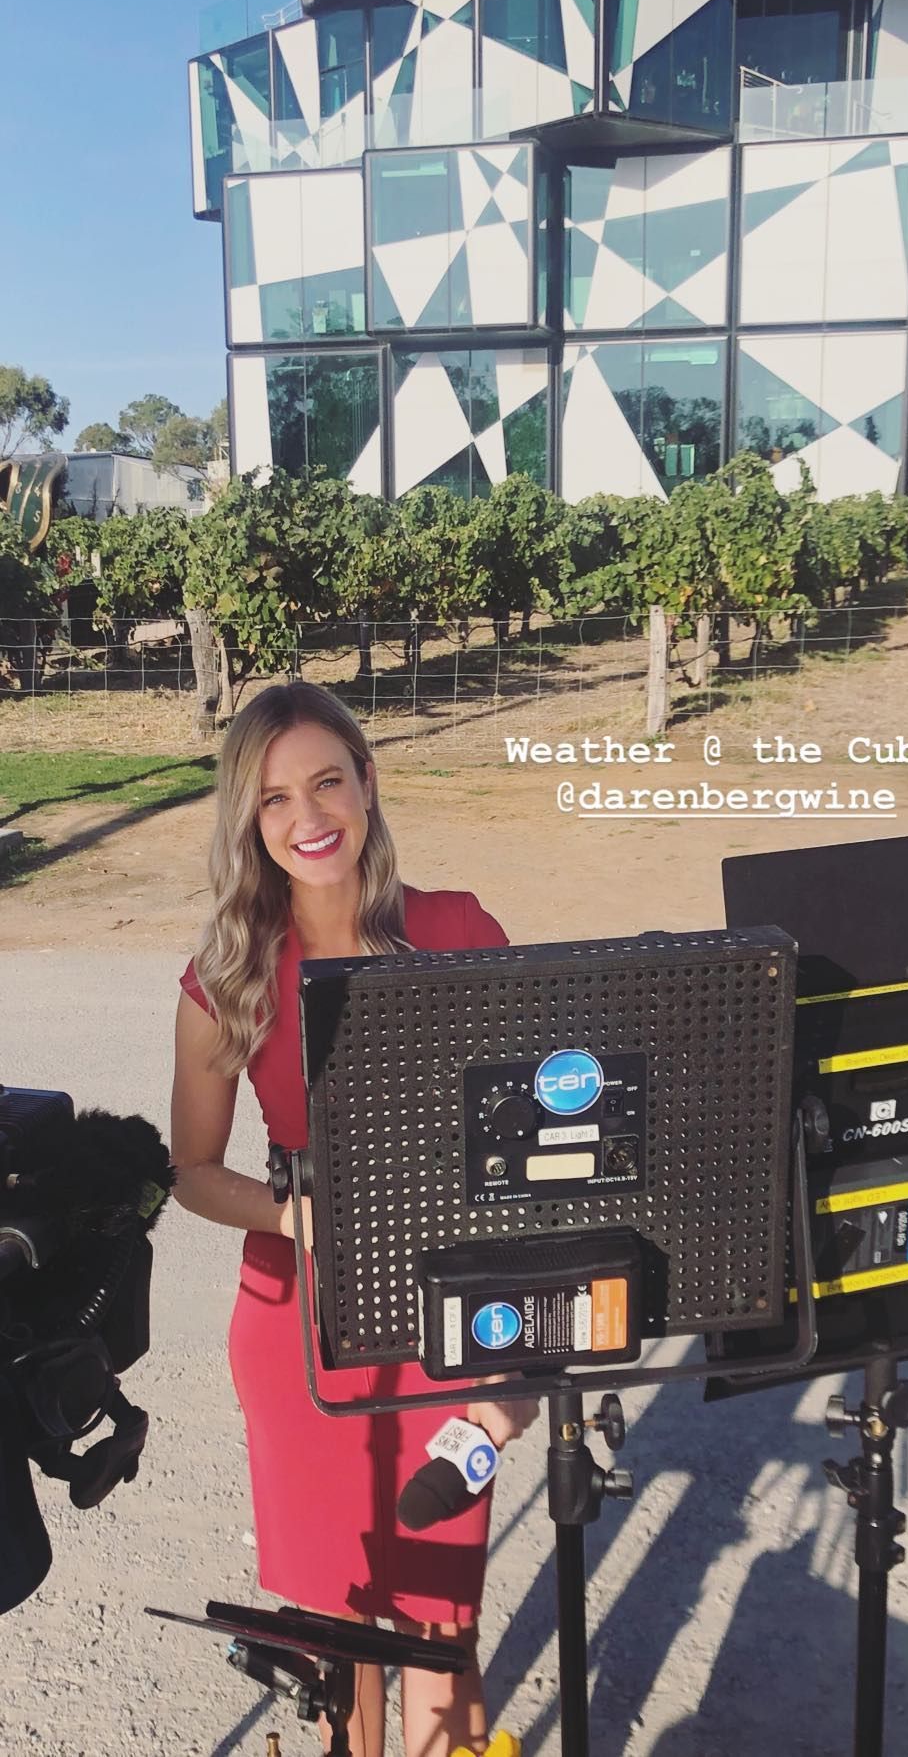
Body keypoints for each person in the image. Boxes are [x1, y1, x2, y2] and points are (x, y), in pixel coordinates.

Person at [171, 682, 538, 1757]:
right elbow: (192, 1171)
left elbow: (531, 1141)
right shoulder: (229, 972)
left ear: (368, 783)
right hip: (298, 1329)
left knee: (438, 1624)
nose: (309, 815)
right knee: (337, 1636)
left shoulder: (458, 928)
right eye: (275, 798)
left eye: (327, 780)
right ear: (251, 821)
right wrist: (299, 1217)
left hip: (443, 1316)